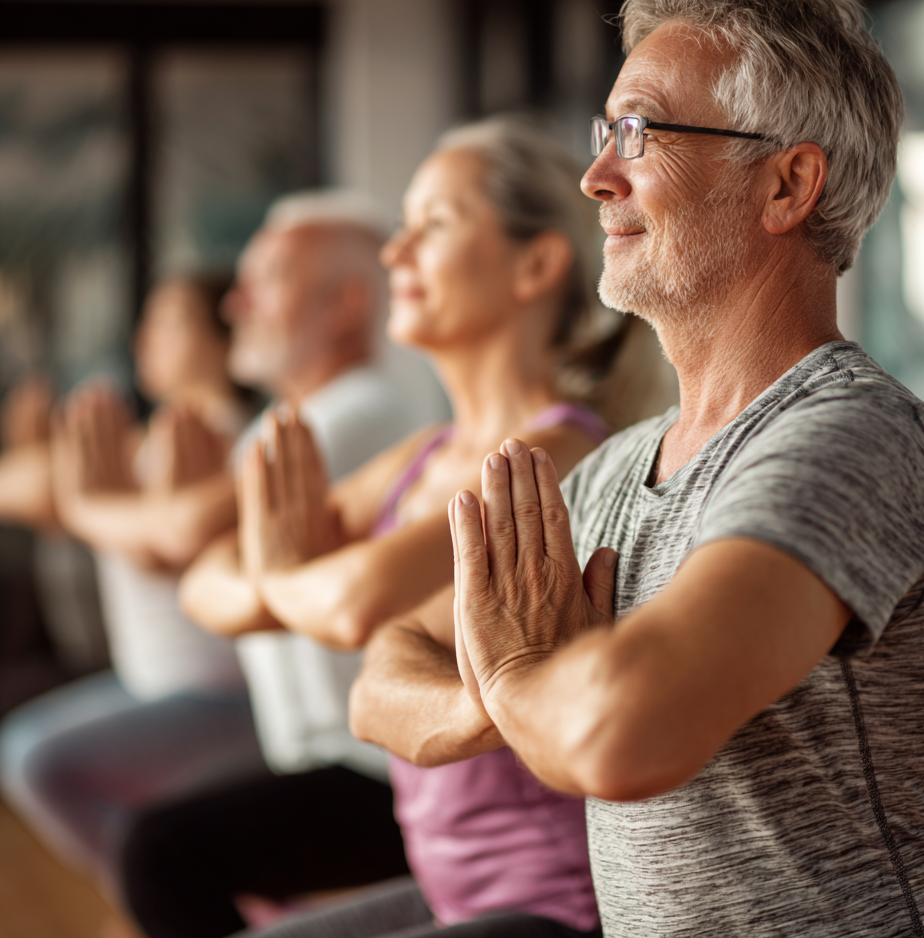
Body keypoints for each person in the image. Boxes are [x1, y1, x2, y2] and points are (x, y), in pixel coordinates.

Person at [356, 0, 924, 937]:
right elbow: (385, 664)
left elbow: (625, 732)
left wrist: (512, 677)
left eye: (641, 134)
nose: (597, 178)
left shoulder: (850, 436)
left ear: (788, 184)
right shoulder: (619, 470)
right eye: (604, 135)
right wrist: (498, 698)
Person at [121, 116, 665, 938]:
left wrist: (287, 577)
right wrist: (311, 580)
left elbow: (355, 602)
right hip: (447, 890)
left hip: (555, 911)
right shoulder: (423, 456)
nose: (393, 253)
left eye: (434, 225)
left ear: (537, 264)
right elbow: (212, 584)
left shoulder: (548, 454)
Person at [0, 273, 262, 887]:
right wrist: (79, 493)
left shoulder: (226, 440)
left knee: (36, 760)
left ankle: (178, 902)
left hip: (224, 697)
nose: (145, 339)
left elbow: (154, 539)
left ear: (225, 341)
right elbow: (43, 492)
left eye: (171, 322)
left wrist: (87, 500)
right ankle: (168, 898)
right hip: (155, 685)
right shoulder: (154, 440)